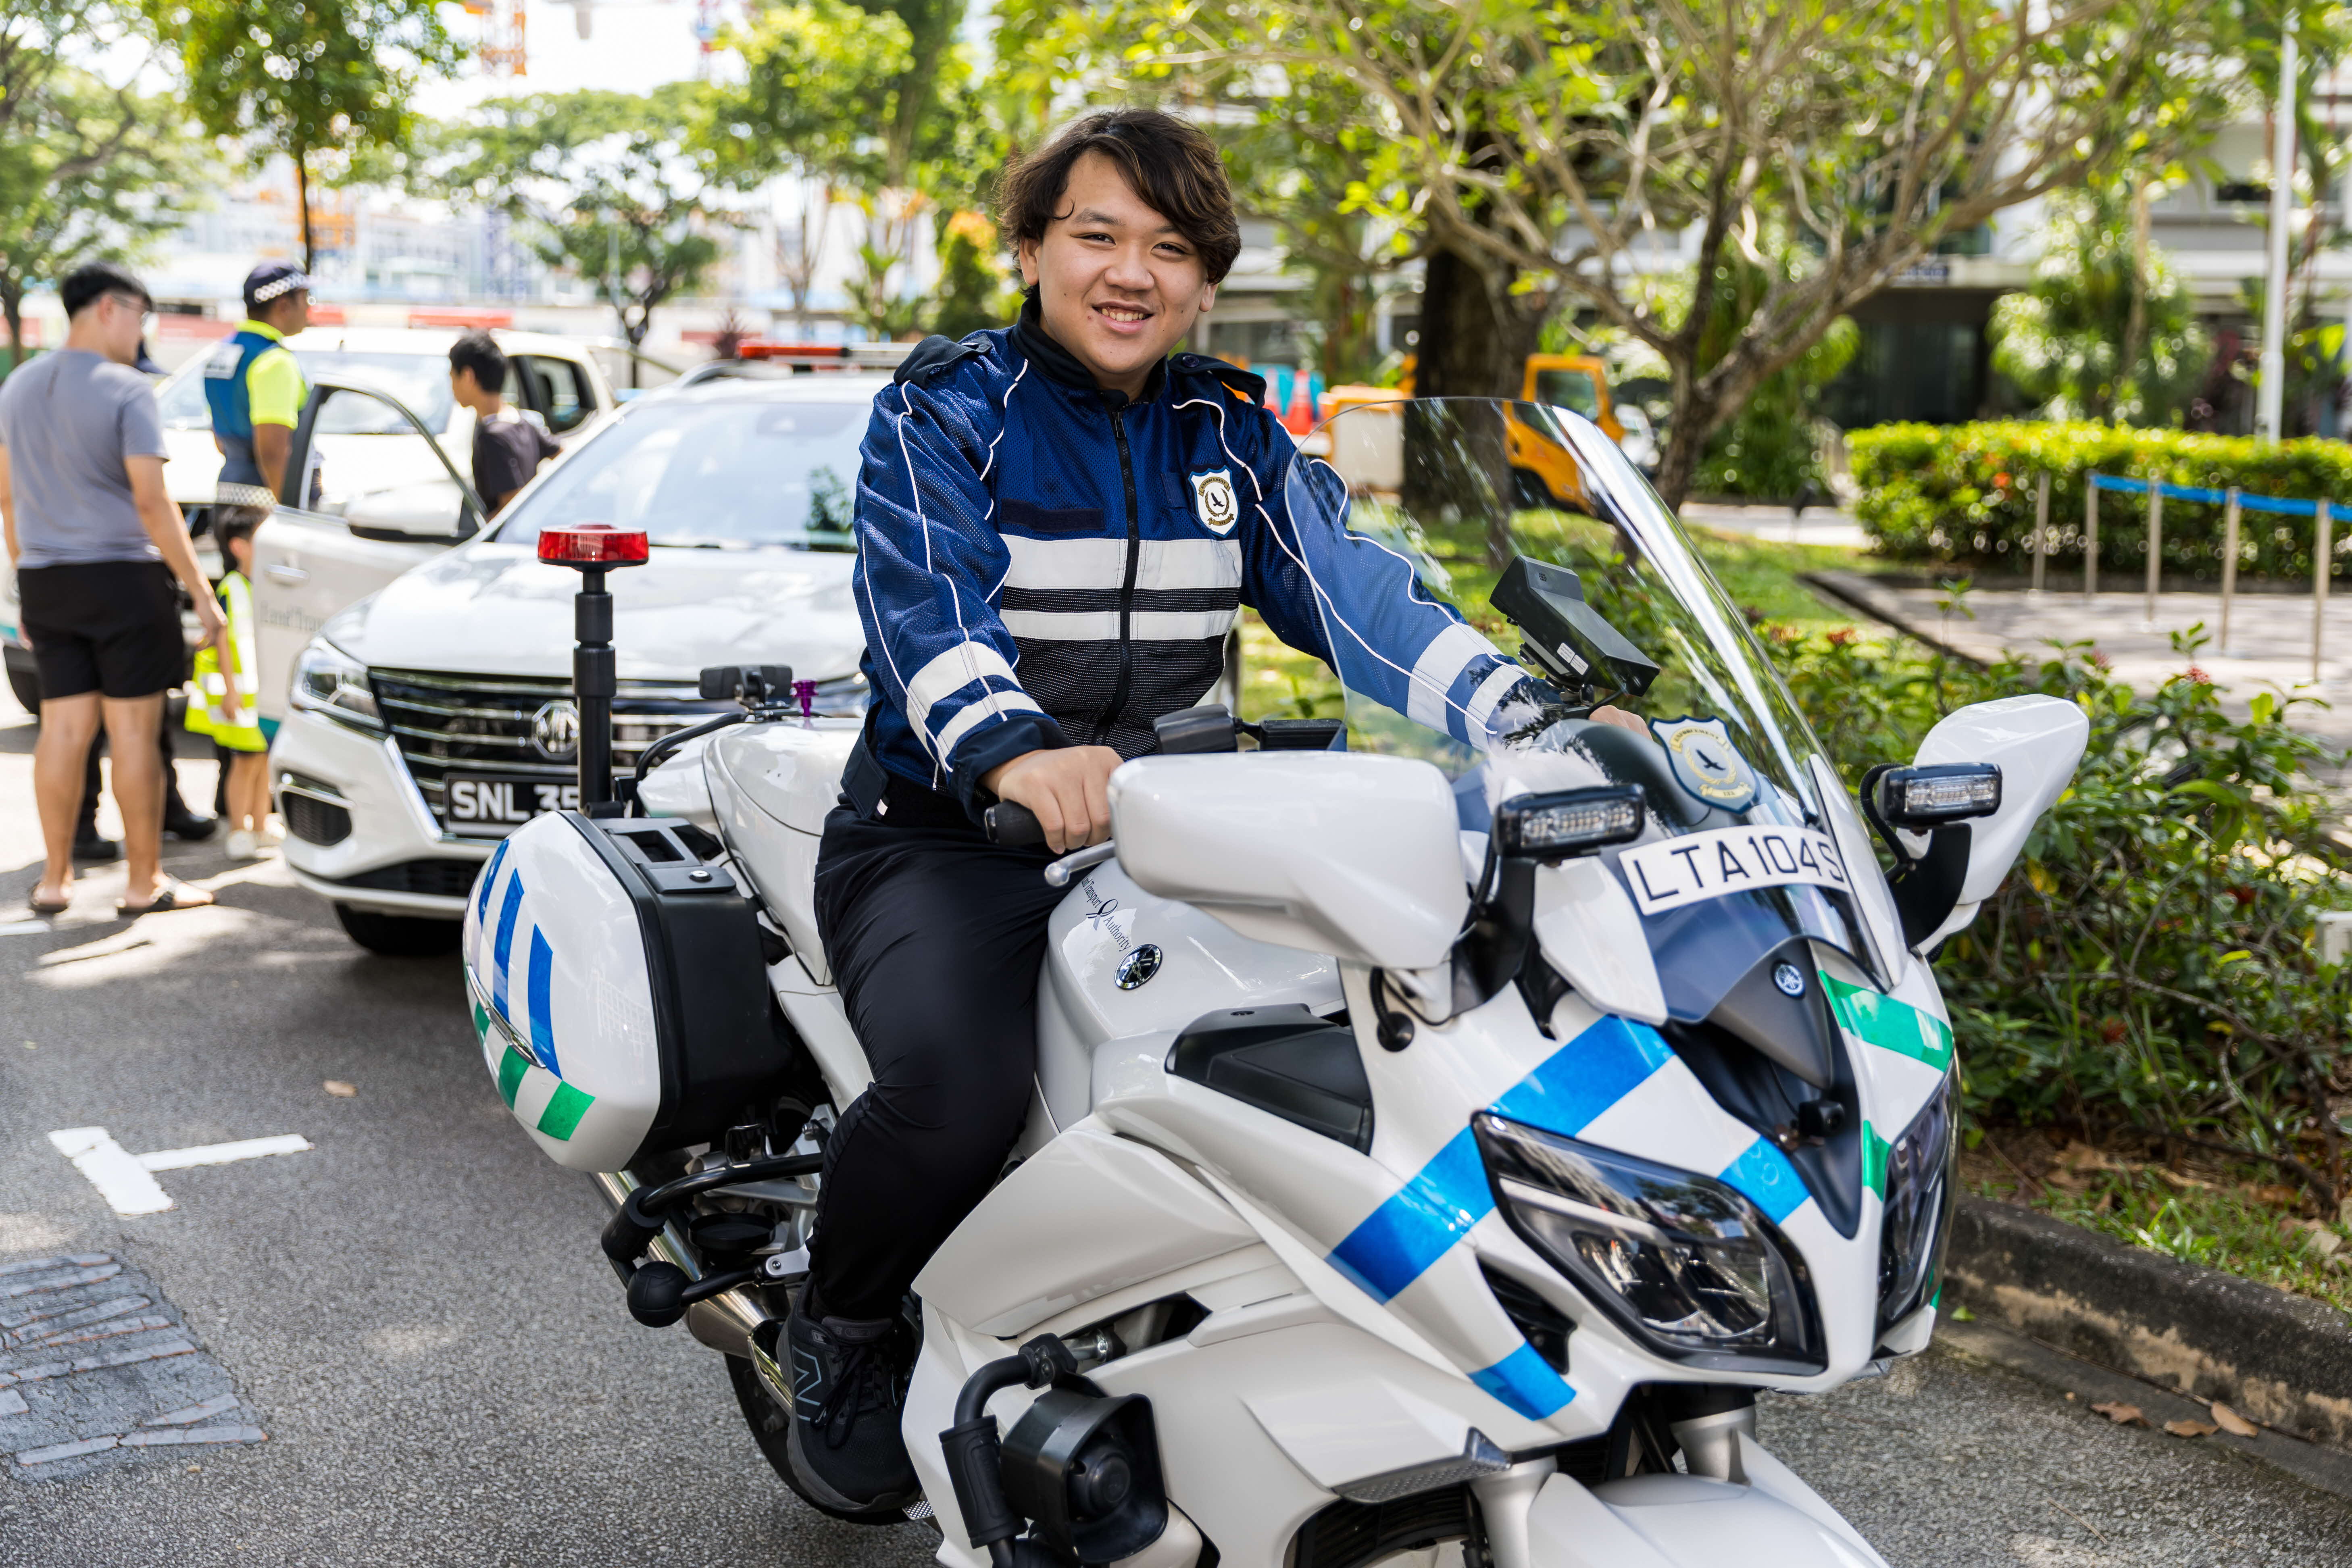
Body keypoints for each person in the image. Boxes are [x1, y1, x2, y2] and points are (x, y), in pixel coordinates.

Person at [786, 109, 1531, 1514]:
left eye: (1171, 249)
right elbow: (923, 605)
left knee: (1351, 1050)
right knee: (957, 1092)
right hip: (950, 832)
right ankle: (847, 1319)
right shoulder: (950, 407)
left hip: (1172, 830)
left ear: (1203, 282)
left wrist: (1519, 714)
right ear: (1032, 249)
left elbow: (1352, 593)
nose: (1132, 272)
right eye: (1099, 236)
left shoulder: (1225, 430)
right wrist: (1011, 747)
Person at [0, 261, 224, 915]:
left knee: (63, 729)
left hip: (46, 577)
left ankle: (55, 878)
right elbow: (152, 503)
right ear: (105, 307)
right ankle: (142, 882)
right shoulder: (126, 390)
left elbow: (7, 496)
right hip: (124, 578)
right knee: (132, 731)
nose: (141, 329)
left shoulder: (17, 386)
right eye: (139, 313)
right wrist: (202, 596)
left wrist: (28, 568)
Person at [184, 512, 272, 858]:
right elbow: (220, 638)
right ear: (240, 547)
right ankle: (239, 829)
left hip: (264, 695)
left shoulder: (266, 585)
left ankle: (262, 826)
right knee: (246, 760)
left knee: (264, 760)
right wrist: (231, 693)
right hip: (240, 694)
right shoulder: (231, 588)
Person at [204, 262, 311, 529]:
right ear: (284, 305)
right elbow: (273, 451)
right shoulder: (274, 360)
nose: (310, 308)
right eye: (307, 299)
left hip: (229, 492)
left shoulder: (224, 351)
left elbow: (220, 438)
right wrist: (291, 517)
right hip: (264, 504)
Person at [448, 331, 558, 516]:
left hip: (503, 543)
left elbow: (509, 509)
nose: (452, 386)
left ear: (468, 377)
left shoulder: (493, 437)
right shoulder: (523, 423)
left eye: (452, 377)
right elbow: (563, 454)